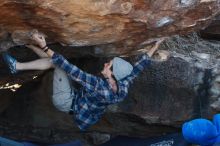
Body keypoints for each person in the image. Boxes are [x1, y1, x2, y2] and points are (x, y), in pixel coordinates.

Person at [2, 32, 165, 130]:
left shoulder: (99, 86)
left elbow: (69, 68)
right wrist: (155, 46)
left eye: (110, 65)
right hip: (79, 99)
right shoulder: (123, 85)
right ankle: (30, 45)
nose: (106, 63)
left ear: (112, 76)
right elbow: (139, 66)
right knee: (55, 63)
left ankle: (17, 66)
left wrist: (45, 46)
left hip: (66, 101)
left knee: (57, 65)